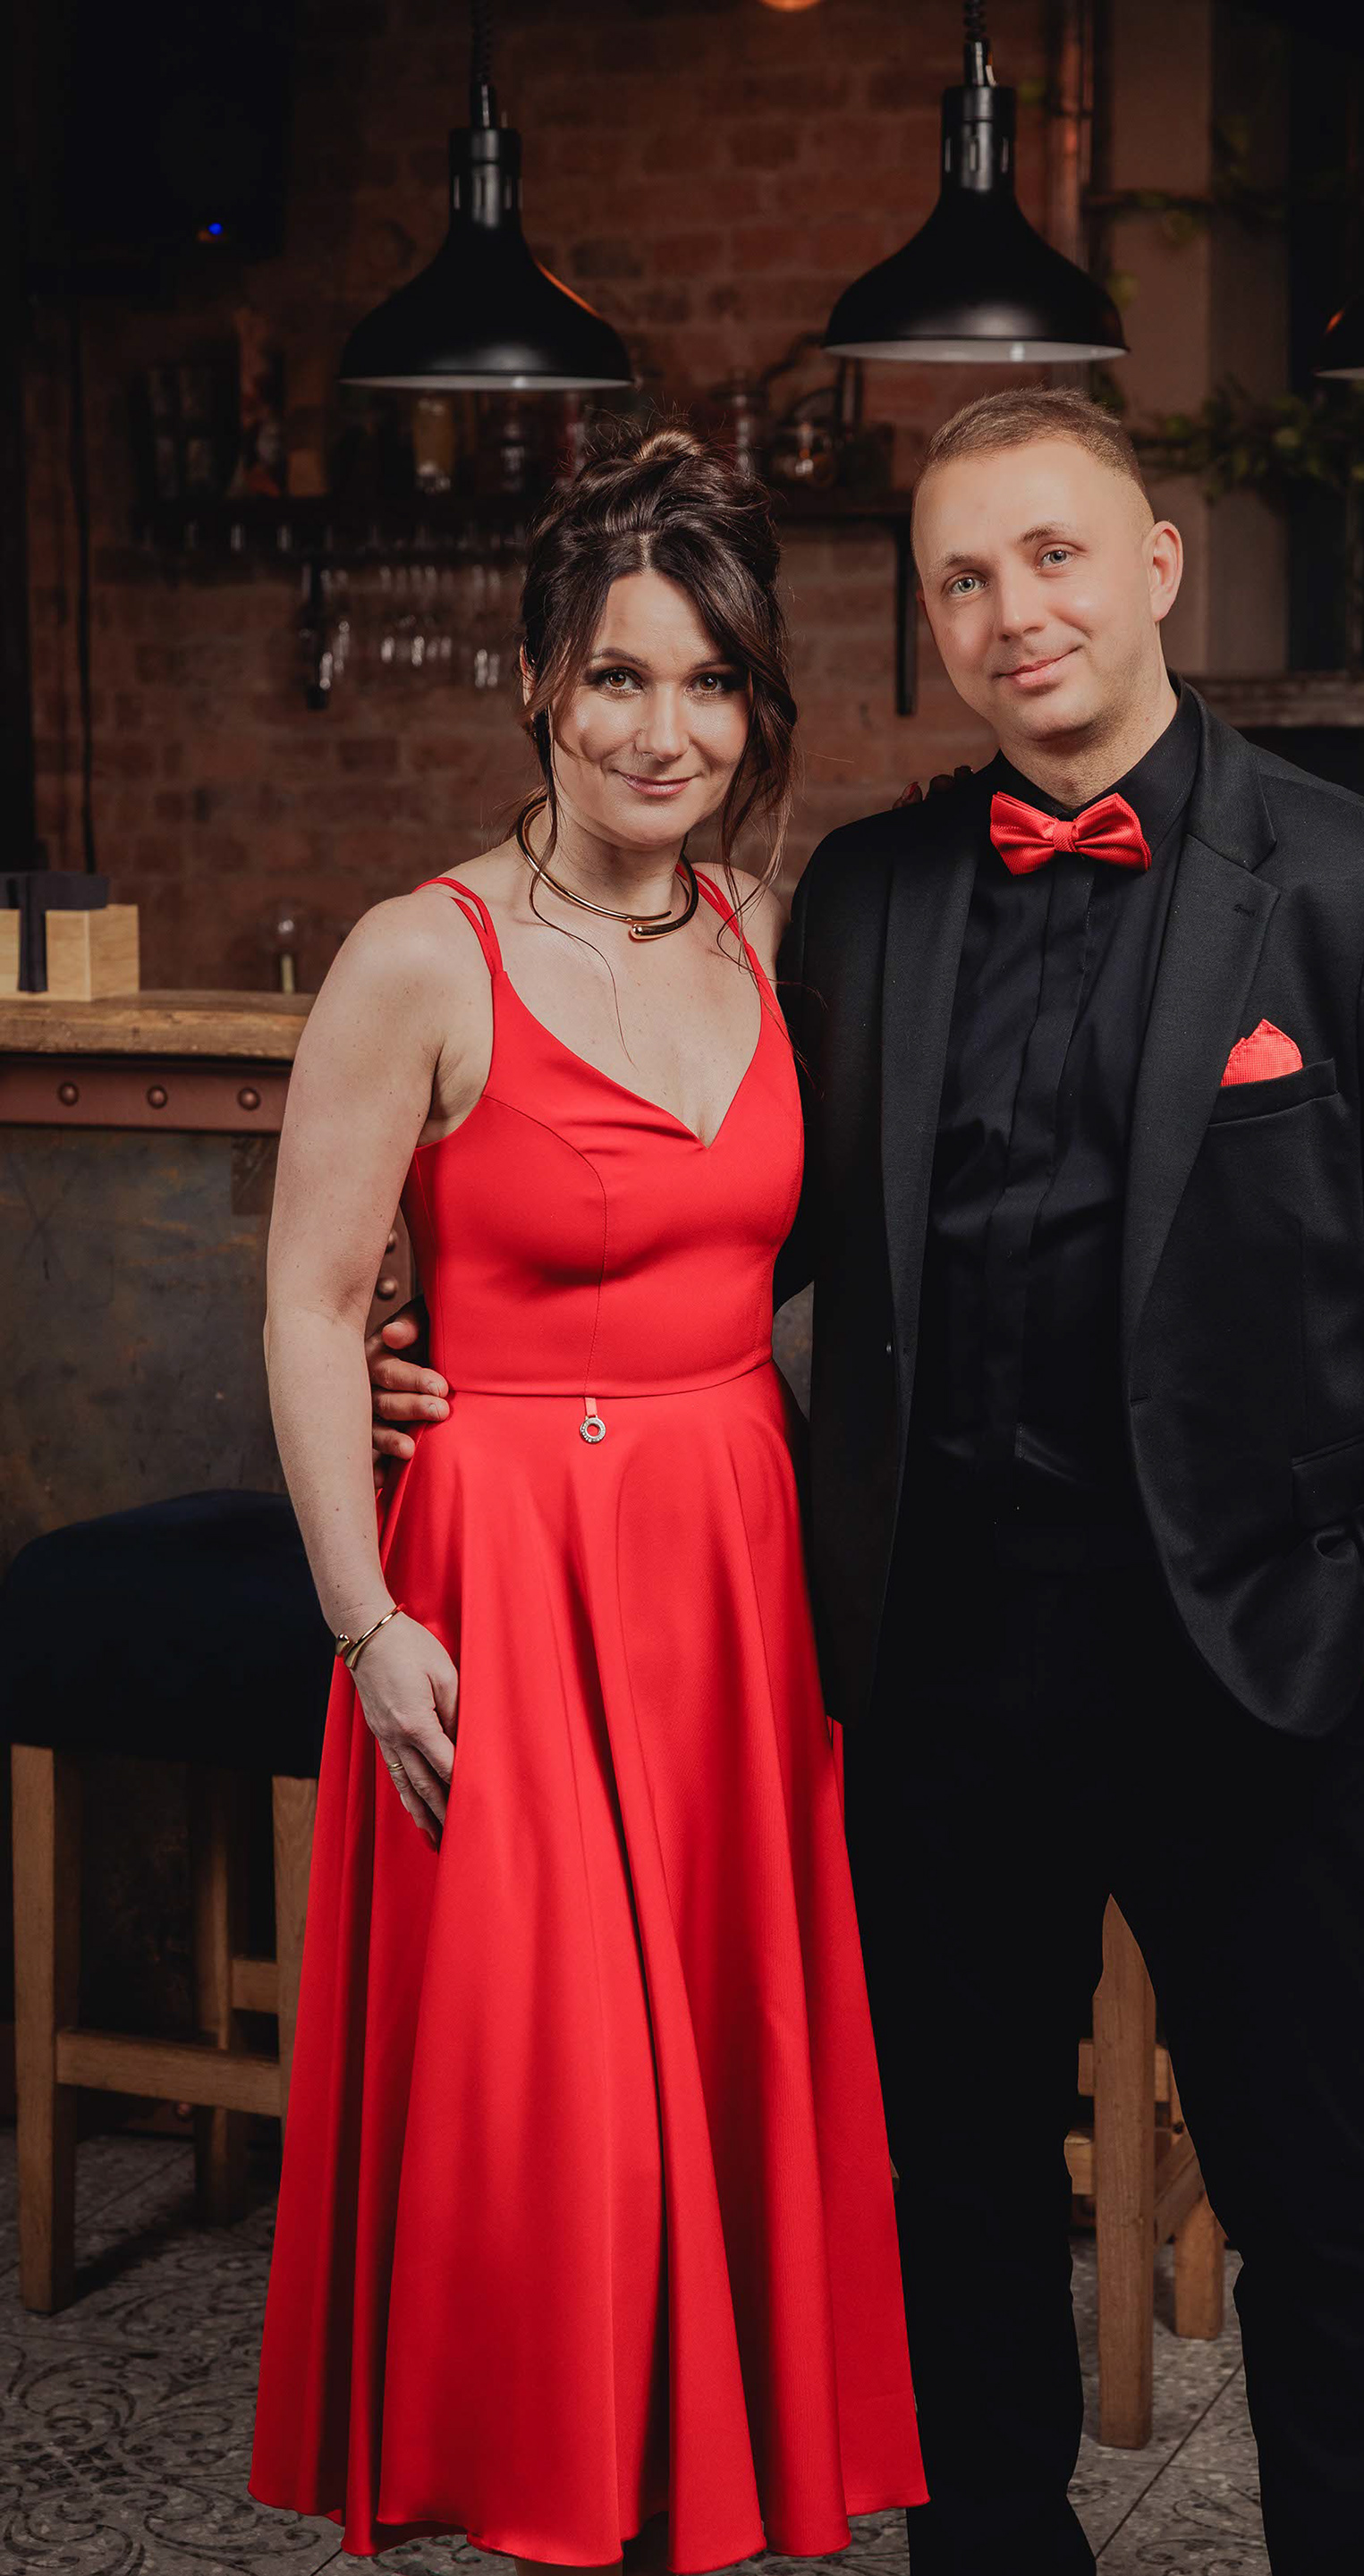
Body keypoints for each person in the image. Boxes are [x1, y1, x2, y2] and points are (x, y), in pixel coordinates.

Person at [371, 387, 1364, 2576]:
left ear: (1157, 566)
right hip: (930, 1667)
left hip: (1242, 1667)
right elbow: (740, 1220)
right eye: (961, 579)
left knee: (1314, 2206)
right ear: (927, 623)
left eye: (1054, 555)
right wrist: (453, 1344)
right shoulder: (866, 894)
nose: (1014, 610)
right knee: (956, 2195)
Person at [250, 421, 925, 2573]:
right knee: (561, 2108)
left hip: (731, 1563)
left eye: (710, 682)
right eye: (620, 675)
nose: (664, 729)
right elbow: (307, 1301)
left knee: (709, 2070)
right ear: (541, 677)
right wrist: (367, 1620)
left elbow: (761, 1251)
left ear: (755, 702)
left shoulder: (762, 929)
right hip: (505, 1571)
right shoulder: (419, 954)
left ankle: (691, 2492)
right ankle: (554, 2496)